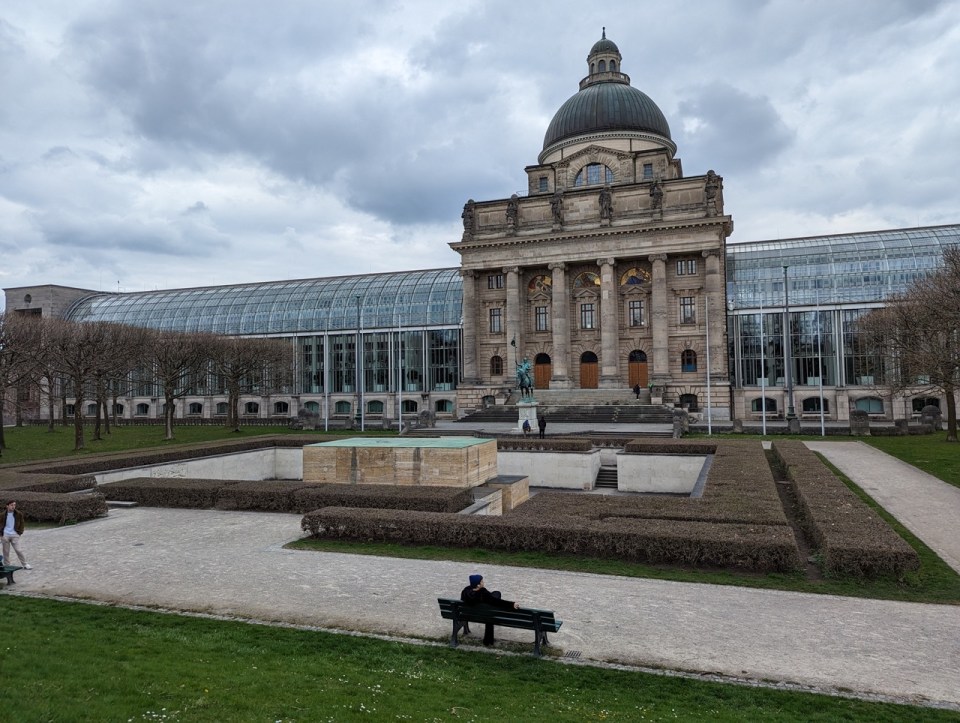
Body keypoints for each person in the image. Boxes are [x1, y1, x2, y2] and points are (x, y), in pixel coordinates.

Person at [460, 574, 519, 645]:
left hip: (470, 615)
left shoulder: (465, 592)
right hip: (485, 615)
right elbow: (498, 602)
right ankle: (488, 641)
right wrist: (512, 604)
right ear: (478, 585)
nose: (483, 582)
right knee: (495, 598)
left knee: (495, 595)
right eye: (482, 581)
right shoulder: (483, 594)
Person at [2, 500, 32, 570]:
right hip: (5, 535)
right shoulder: (2, 515)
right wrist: (1, 535)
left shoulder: (18, 514)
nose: (13, 506)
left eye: (14, 505)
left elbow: (22, 523)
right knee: (6, 552)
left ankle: (25, 564)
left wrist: (19, 533)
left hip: (15, 535)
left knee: (18, 550)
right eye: (12, 505)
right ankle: (7, 565)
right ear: (7, 506)